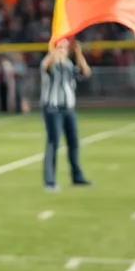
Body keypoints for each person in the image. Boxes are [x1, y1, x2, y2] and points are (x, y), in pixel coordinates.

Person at [39, 38, 91, 191]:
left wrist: (78, 52)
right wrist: (54, 50)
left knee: (73, 143)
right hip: (53, 108)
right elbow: (47, 66)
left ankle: (77, 176)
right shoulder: (49, 63)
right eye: (60, 47)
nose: (63, 50)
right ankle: (49, 180)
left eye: (65, 47)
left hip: (68, 108)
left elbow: (85, 72)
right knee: (53, 143)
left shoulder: (69, 65)